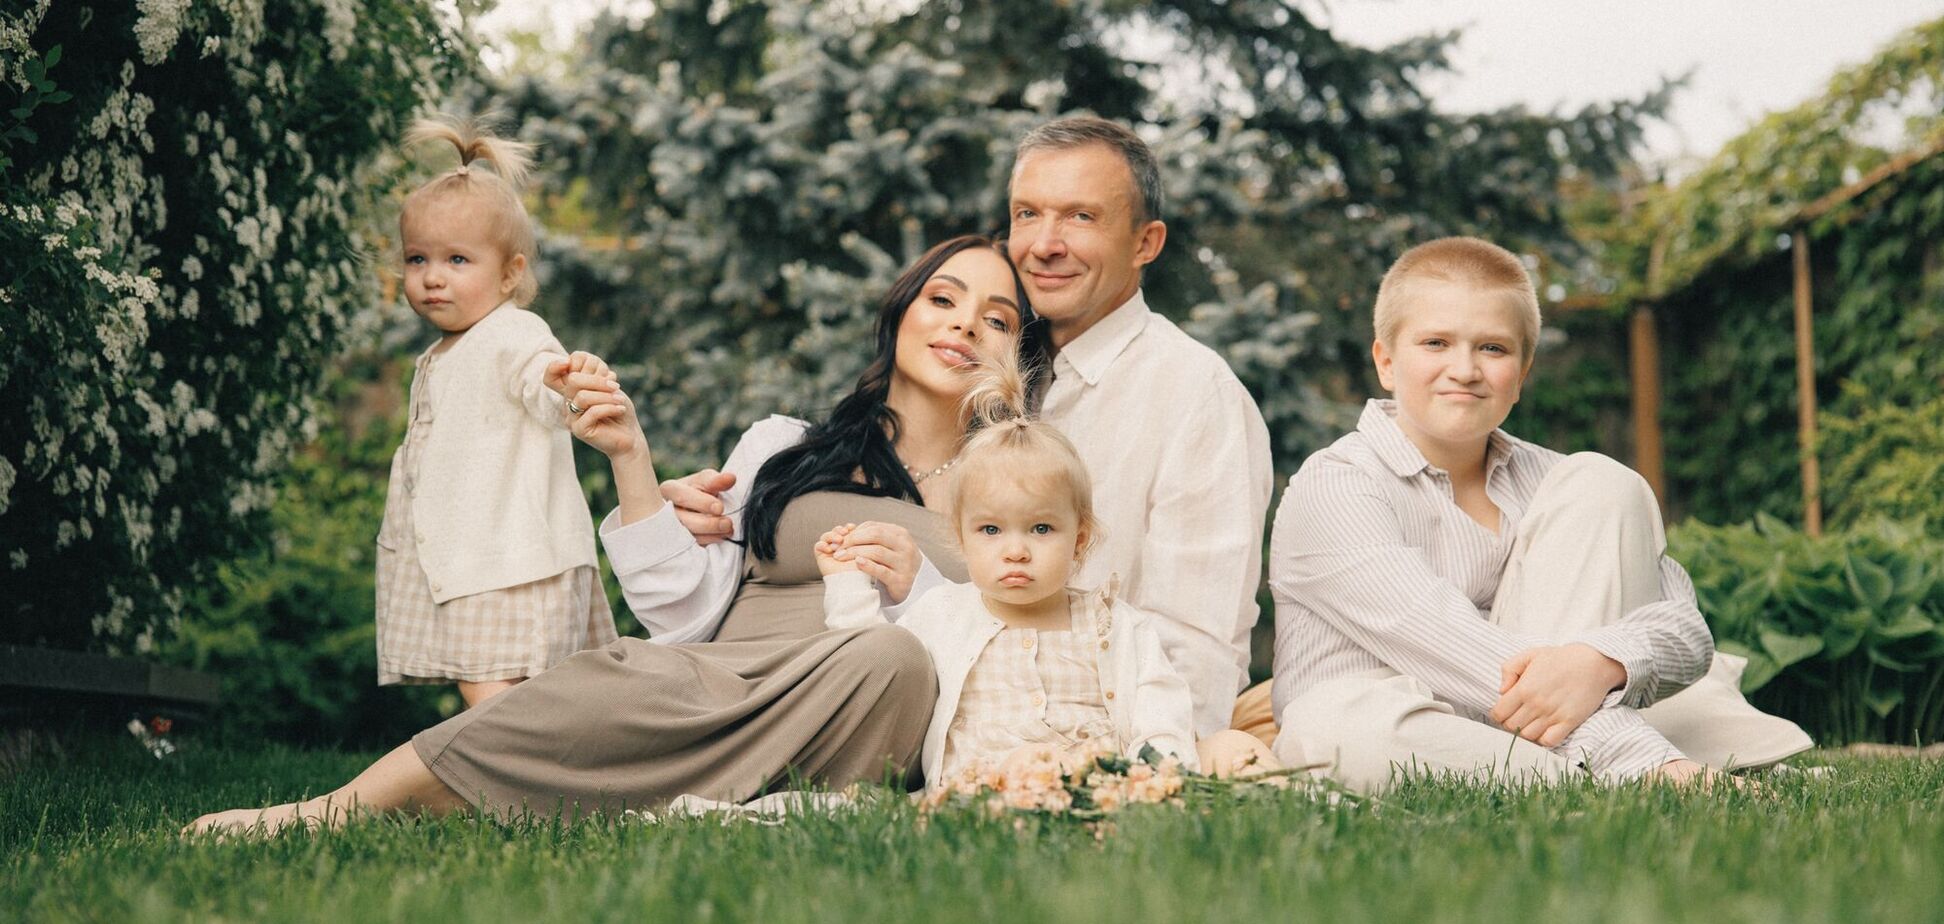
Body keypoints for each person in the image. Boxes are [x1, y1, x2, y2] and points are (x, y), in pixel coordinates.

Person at [183, 235, 1051, 834]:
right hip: (712, 680)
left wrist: (925, 591)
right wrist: (633, 460)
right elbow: (681, 614)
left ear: (1018, 356)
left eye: (997, 318)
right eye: (942, 298)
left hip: (856, 700)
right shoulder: (785, 446)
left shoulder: (1008, 486)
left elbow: (1017, 649)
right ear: (902, 313)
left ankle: (647, 793)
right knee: (623, 673)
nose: (965, 324)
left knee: (889, 659)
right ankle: (330, 809)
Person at [662, 117, 1278, 774]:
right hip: (949, 738)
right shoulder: (977, 363)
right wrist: (698, 524)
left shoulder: (1193, 393)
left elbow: (1198, 636)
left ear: (1145, 242)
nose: (1044, 244)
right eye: (1027, 213)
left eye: (1080, 217)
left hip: (1091, 752)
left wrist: (1151, 771)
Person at [1268, 236, 1813, 792]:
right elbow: (1458, 648)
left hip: (1525, 733)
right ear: (1386, 361)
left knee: (1605, 479)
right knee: (1339, 733)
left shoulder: (1559, 483)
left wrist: (1601, 662)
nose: (1464, 369)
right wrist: (1641, 755)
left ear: (1522, 373)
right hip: (1413, 729)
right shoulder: (1334, 487)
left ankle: (1574, 771)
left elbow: (1684, 628)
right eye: (1435, 343)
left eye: (1493, 349)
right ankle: (1639, 773)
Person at [817, 341, 1273, 788]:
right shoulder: (944, 615)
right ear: (962, 538)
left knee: (1234, 747)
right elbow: (870, 660)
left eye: (1040, 529)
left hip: (1099, 786)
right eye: (991, 531)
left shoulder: (1113, 624)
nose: (1016, 551)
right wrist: (846, 582)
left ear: (1079, 541)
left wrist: (1159, 772)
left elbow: (1160, 707)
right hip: (986, 789)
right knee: (1026, 767)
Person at [376, 115, 615, 707]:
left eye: (458, 260)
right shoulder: (438, 354)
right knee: (495, 691)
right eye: (417, 259)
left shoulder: (512, 332)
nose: (432, 277)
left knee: (495, 697)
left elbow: (539, 377)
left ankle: (508, 786)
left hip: (512, 559)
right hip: (474, 556)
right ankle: (529, 782)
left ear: (511, 274)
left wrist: (564, 382)